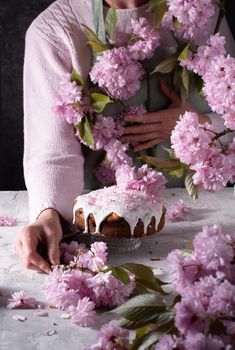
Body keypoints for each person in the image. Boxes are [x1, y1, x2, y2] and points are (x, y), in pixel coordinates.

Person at [15, 0, 235, 273]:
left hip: (206, 222)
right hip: (104, 237)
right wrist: (47, 215)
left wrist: (196, 126)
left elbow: (231, 116)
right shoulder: (55, 29)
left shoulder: (199, 11)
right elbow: (52, 148)